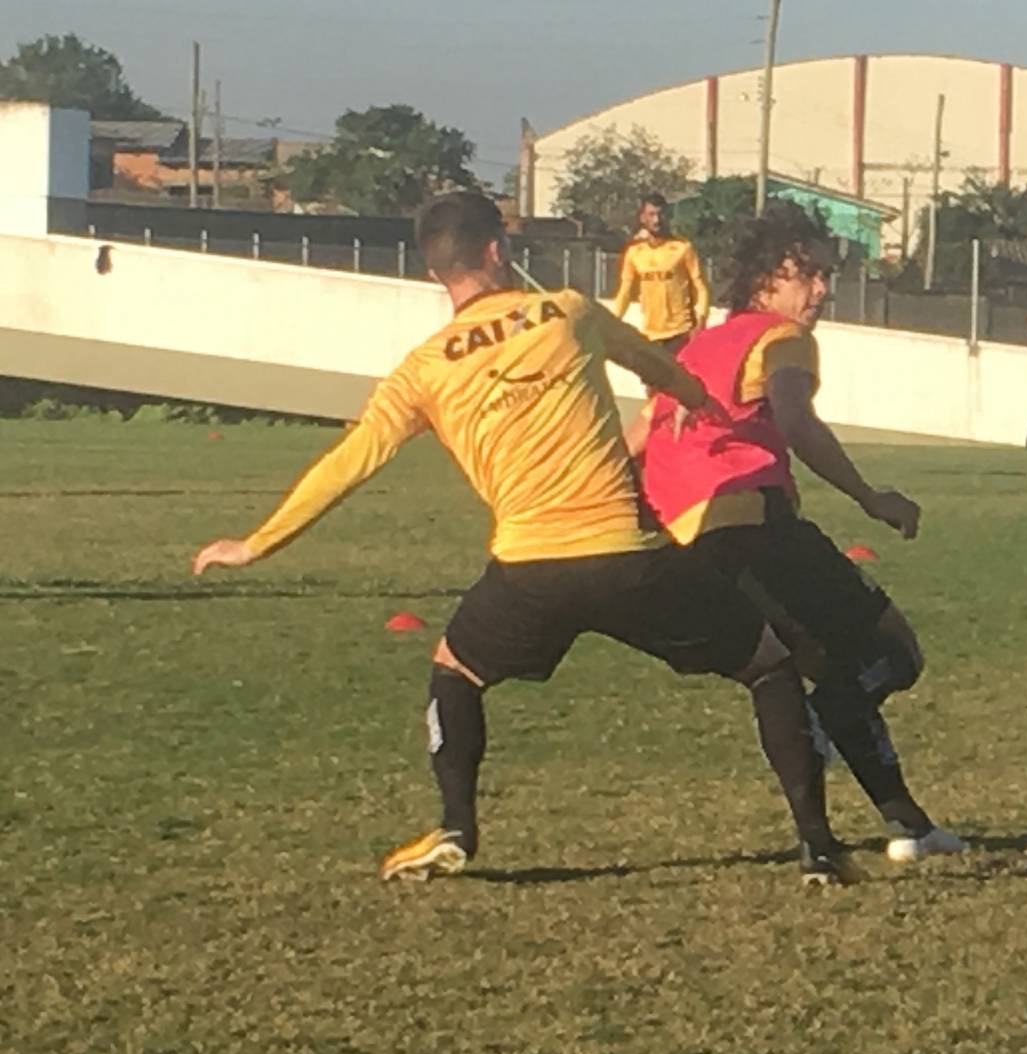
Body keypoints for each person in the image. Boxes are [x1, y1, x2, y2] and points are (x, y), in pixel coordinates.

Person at [189, 191, 854, 884]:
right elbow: (655, 369)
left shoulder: (422, 369)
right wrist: (697, 400)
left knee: (456, 669)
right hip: (626, 555)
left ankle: (456, 825)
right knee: (769, 663)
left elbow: (351, 459)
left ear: (434, 275)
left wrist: (258, 542)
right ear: (497, 250)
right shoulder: (567, 310)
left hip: (528, 570)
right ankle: (817, 846)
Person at [637, 208, 967, 864]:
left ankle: (908, 824)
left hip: (694, 545)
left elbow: (639, 438)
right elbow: (796, 419)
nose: (821, 289)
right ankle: (818, 729)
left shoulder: (694, 349)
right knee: (895, 652)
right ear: (765, 279)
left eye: (826, 275)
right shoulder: (782, 337)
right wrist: (871, 497)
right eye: (807, 273)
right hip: (756, 526)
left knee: (819, 667)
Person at [609, 193, 711, 358]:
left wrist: (701, 322)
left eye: (660, 214)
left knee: (681, 382)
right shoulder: (634, 252)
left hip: (681, 332)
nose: (657, 220)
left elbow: (702, 288)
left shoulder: (682, 248)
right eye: (651, 215)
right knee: (653, 383)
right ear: (643, 218)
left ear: (668, 216)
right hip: (650, 334)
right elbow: (625, 293)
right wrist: (612, 322)